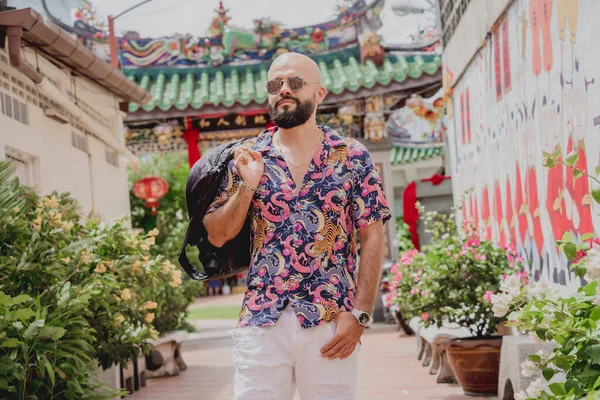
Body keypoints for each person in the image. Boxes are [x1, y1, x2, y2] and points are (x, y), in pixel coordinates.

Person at [203, 52, 391, 400]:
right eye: (276, 84)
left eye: (295, 83)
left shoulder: (352, 156)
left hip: (330, 319)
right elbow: (217, 234)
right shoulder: (247, 156)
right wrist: (247, 186)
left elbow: (372, 236)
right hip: (262, 318)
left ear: (319, 94)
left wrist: (360, 314)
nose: (284, 90)